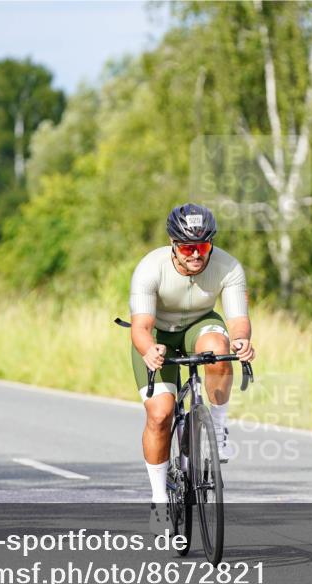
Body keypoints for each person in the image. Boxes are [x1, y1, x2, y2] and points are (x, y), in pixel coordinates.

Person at [128, 203, 256, 534]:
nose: (197, 255)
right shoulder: (150, 268)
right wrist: (148, 350)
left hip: (201, 325)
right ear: (173, 245)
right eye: (188, 247)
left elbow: (238, 320)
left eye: (204, 246)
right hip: (158, 335)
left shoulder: (228, 267)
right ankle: (159, 499)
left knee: (219, 349)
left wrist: (241, 341)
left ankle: (218, 425)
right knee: (160, 415)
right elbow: (141, 326)